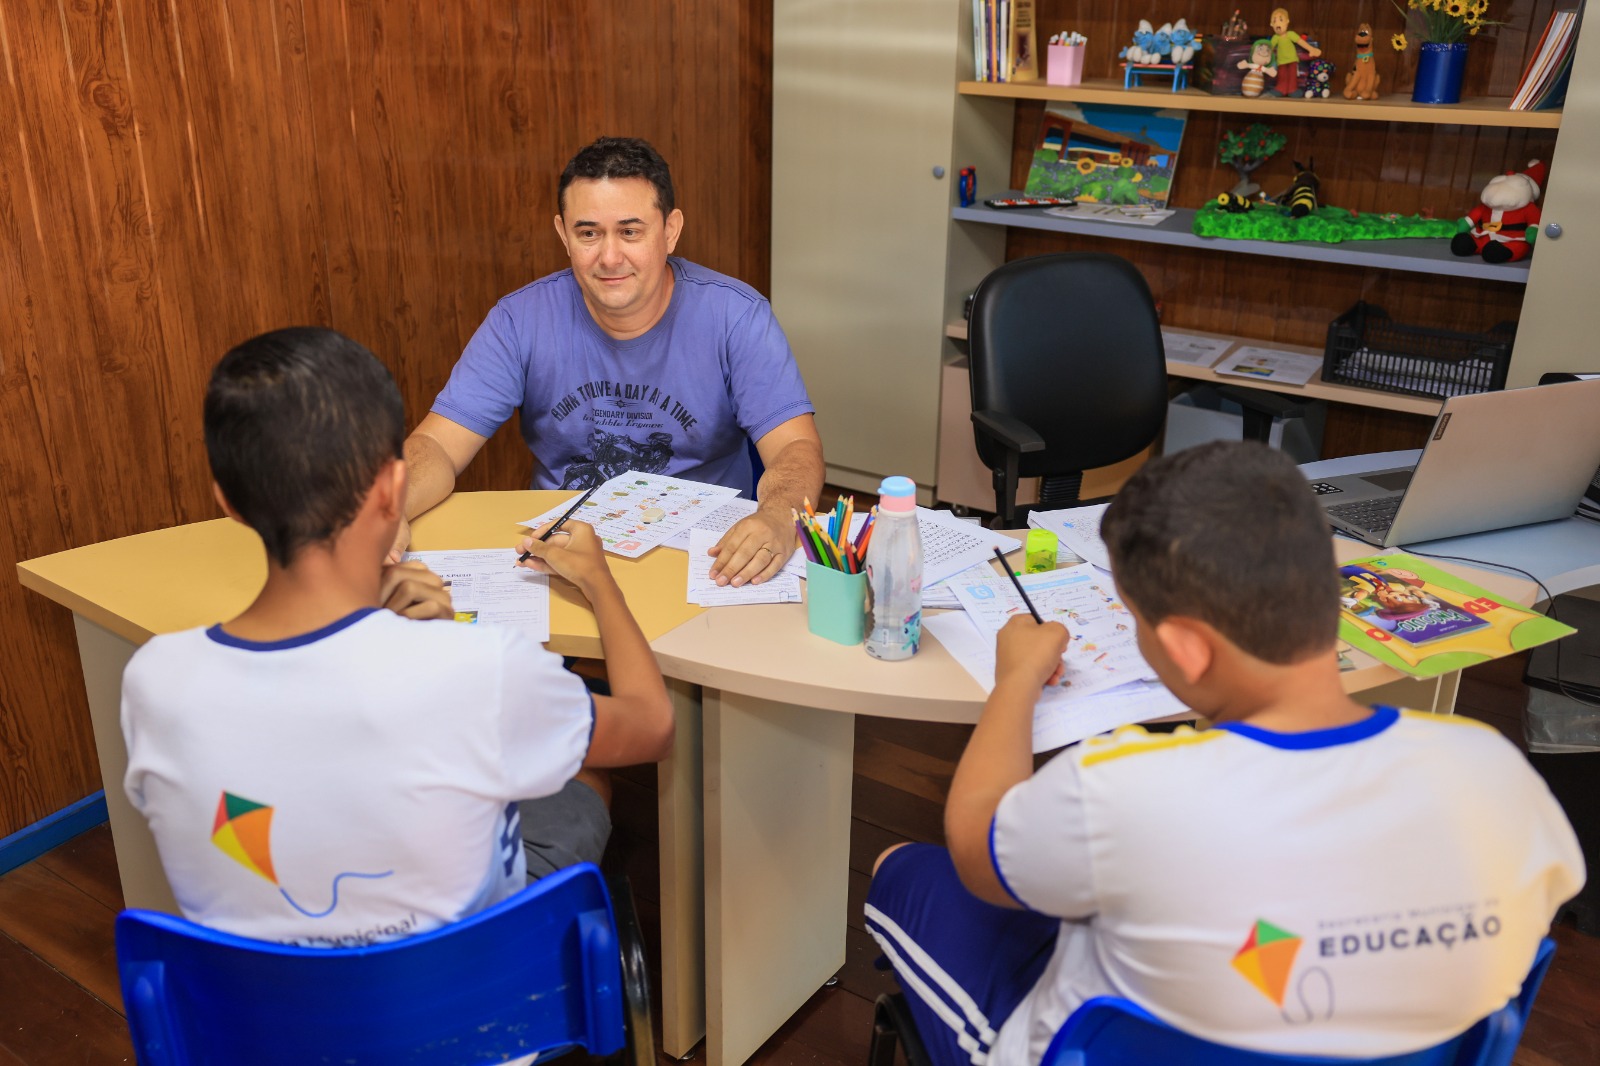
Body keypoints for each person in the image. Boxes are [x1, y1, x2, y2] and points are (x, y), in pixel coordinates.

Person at [865, 441, 1583, 1064]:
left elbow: (977, 846)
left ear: (1184, 647)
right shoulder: (1497, 773)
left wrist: (1017, 677)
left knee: (902, 869)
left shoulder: (1122, 788)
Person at [121, 328, 674, 946]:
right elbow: (652, 726)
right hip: (472, 1023)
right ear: (392, 489)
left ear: (228, 503)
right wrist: (601, 584)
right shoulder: (483, 670)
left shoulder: (154, 679)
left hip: (262, 1031)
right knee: (583, 776)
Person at [394, 136, 824, 589]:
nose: (610, 257)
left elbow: (796, 448)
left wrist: (778, 516)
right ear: (563, 234)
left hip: (705, 559)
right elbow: (437, 445)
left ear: (671, 230)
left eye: (630, 231)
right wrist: (385, 514)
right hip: (562, 555)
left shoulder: (736, 315)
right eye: (588, 233)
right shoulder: (519, 321)